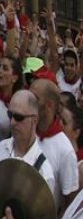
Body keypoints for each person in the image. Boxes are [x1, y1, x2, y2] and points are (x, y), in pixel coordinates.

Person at [29, 78, 79, 211]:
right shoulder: (24, 130)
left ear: (49, 105)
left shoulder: (65, 150)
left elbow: (70, 202)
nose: (28, 102)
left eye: (34, 99)